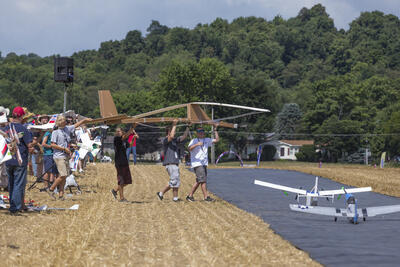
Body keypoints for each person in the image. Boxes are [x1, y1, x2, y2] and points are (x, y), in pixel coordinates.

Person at [45, 115, 92, 199]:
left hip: (66, 156)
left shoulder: (67, 129)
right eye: (64, 120)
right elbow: (52, 144)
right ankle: (51, 189)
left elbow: (76, 125)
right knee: (63, 175)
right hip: (59, 156)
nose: (66, 121)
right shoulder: (55, 132)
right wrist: (63, 148)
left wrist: (85, 120)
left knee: (65, 176)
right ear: (60, 122)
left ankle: (61, 194)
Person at [3, 107, 33, 214]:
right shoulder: (23, 129)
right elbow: (29, 145)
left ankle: (13, 205)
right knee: (18, 184)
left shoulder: (5, 128)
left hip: (8, 159)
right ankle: (15, 207)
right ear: (21, 116)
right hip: (20, 160)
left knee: (11, 184)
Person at [156, 120, 190, 202]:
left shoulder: (175, 140)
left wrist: (188, 127)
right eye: (171, 131)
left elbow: (184, 136)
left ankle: (175, 198)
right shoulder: (165, 140)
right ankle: (161, 193)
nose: (174, 133)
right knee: (174, 181)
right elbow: (170, 137)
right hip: (170, 164)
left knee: (176, 182)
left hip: (175, 164)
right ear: (168, 132)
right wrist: (174, 125)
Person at [186, 124, 219, 202]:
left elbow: (217, 140)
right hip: (197, 163)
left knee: (199, 180)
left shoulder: (207, 140)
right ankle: (206, 197)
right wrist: (197, 144)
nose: (201, 133)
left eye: (202, 132)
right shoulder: (194, 140)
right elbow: (189, 148)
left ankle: (190, 196)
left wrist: (215, 130)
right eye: (199, 132)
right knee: (203, 180)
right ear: (197, 133)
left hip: (204, 163)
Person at [111, 127, 136, 202]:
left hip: (125, 162)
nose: (117, 132)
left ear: (122, 132)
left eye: (119, 131)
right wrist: (133, 127)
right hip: (119, 162)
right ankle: (121, 198)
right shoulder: (117, 139)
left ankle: (115, 190)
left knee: (128, 181)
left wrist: (134, 138)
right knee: (121, 180)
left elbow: (130, 145)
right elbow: (125, 136)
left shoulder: (124, 141)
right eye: (116, 131)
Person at [41, 117, 58, 190]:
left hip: (51, 154)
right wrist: (51, 146)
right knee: (47, 171)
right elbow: (43, 144)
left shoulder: (52, 133)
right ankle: (46, 186)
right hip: (48, 154)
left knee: (52, 171)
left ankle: (51, 185)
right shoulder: (48, 133)